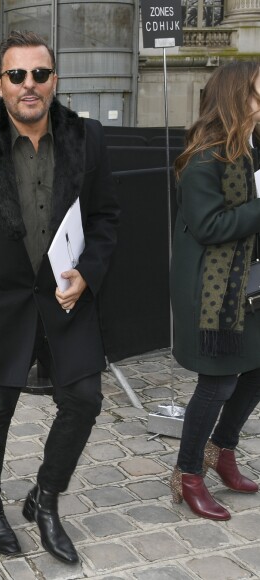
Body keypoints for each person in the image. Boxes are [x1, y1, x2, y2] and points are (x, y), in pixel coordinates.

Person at [0, 31, 119, 564]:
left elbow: (105, 220)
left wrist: (88, 274)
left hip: (65, 294)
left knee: (83, 399)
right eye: (17, 75)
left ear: (54, 81)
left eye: (39, 74)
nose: (29, 85)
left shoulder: (88, 137)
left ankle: (46, 497)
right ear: (1, 84)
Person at [169, 61, 260, 521]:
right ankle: (189, 474)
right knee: (219, 381)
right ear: (235, 98)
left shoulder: (249, 146)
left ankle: (223, 452)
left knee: (257, 368)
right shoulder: (205, 155)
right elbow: (209, 225)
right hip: (214, 292)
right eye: (257, 95)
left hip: (247, 285)